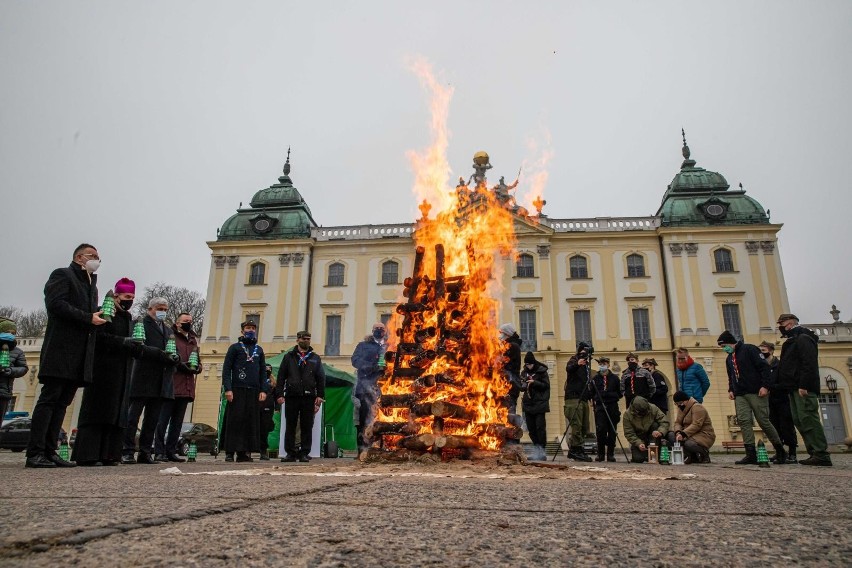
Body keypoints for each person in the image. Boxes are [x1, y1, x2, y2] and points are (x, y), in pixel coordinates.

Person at [26, 243, 107, 468]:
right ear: (79, 257)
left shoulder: (91, 284)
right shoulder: (63, 275)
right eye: (93, 256)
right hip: (61, 349)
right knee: (49, 399)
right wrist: (87, 317)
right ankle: (35, 452)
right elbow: (56, 305)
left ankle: (50, 450)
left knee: (62, 402)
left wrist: (95, 319)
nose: (96, 260)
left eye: (99, 257)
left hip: (79, 352)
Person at [72, 278, 143, 466]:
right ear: (117, 295)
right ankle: (89, 454)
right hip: (103, 367)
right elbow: (99, 338)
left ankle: (110, 454)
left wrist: (135, 345)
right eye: (127, 296)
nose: (130, 300)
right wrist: (123, 342)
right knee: (99, 409)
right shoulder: (104, 312)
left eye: (133, 297)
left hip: (122, 368)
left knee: (116, 412)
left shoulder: (128, 318)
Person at [122, 298, 179, 465]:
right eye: (159, 308)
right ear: (150, 308)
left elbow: (172, 350)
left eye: (165, 309)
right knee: (133, 417)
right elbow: (137, 346)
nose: (162, 311)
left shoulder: (168, 330)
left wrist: (176, 358)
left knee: (152, 419)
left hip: (161, 380)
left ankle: (145, 451)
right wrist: (161, 354)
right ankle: (127, 450)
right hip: (142, 376)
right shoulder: (140, 324)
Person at [718, 330, 786, 465]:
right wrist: (731, 389)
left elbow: (764, 367)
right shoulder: (729, 358)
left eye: (724, 346)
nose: (723, 349)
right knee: (744, 421)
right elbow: (731, 376)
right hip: (740, 394)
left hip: (756, 391)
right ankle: (750, 453)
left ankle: (780, 450)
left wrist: (765, 386)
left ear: (730, 343)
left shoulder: (749, 349)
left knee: (763, 421)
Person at [775, 314, 831, 467]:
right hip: (793, 387)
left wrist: (804, 385)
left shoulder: (803, 338)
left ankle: (821, 453)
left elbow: (809, 363)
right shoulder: (793, 340)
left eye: (782, 323)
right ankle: (813, 452)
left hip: (802, 387)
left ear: (791, 323)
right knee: (800, 420)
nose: (780, 326)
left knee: (808, 419)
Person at [154, 312, 202, 463]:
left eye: (190, 321)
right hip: (172, 384)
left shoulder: (193, 340)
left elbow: (197, 361)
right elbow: (170, 356)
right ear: (178, 323)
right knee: (163, 421)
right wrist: (182, 365)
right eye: (185, 321)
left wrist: (198, 367)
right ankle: (159, 451)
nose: (189, 323)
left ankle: (171, 450)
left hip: (186, 387)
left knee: (177, 423)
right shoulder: (171, 337)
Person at [221, 321, 268, 462]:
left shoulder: (258, 350)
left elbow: (263, 372)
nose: (251, 330)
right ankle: (230, 451)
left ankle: (244, 452)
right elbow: (226, 369)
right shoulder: (234, 348)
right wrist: (228, 388)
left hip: (253, 391)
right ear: (242, 331)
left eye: (253, 328)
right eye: (248, 328)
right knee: (234, 421)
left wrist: (263, 390)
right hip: (237, 389)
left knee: (249, 421)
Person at [276, 331, 326, 462]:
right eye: (304, 339)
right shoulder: (289, 357)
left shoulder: (315, 357)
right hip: (292, 395)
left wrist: (320, 395)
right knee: (290, 424)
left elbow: (321, 378)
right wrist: (280, 394)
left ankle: (304, 452)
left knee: (307, 425)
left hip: (308, 396)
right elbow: (281, 376)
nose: (307, 341)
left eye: (309, 338)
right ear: (298, 340)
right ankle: (290, 452)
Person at [351, 323, 387, 455]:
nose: (379, 331)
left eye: (382, 329)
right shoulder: (363, 345)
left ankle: (381, 449)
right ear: (372, 331)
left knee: (384, 420)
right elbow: (355, 360)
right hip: (365, 388)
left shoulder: (389, 345)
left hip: (384, 389)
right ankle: (362, 451)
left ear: (385, 331)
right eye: (376, 329)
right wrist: (371, 367)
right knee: (364, 420)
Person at [761, 340, 797, 464]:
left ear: (771, 350)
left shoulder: (780, 365)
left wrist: (770, 388)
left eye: (764, 351)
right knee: (775, 426)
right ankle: (780, 451)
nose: (762, 353)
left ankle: (792, 453)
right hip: (769, 401)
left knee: (787, 426)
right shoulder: (762, 366)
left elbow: (785, 383)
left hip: (782, 399)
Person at [667, 391, 715, 464]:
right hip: (689, 434)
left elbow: (696, 425)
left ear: (686, 400)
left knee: (689, 444)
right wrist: (678, 432)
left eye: (680, 403)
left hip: (704, 435)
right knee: (671, 435)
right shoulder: (681, 409)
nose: (679, 405)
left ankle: (704, 454)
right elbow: (678, 423)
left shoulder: (697, 407)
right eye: (677, 404)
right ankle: (690, 455)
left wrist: (683, 434)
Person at [563, 343, 592, 462]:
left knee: (585, 426)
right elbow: (569, 369)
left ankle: (576, 448)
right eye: (584, 353)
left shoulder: (587, 366)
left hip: (583, 398)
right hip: (573, 398)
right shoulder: (573, 360)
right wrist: (577, 363)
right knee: (577, 425)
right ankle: (577, 450)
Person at [590, 356, 621, 462]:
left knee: (612, 431)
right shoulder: (595, 378)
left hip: (612, 406)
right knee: (601, 430)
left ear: (608, 364)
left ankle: (611, 454)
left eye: (604, 364)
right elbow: (592, 393)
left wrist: (608, 394)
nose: (602, 366)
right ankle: (601, 454)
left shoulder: (615, 378)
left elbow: (619, 394)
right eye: (600, 364)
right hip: (600, 407)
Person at [622, 396, 669, 464]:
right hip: (639, 438)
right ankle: (647, 454)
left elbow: (664, 421)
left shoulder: (653, 408)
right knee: (638, 459)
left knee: (655, 425)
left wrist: (660, 431)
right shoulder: (627, 415)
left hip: (653, 436)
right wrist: (638, 443)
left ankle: (654, 450)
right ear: (636, 410)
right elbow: (629, 433)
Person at [520, 352, 550, 461]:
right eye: (526, 364)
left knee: (540, 428)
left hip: (540, 404)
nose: (528, 366)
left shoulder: (542, 372)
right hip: (528, 405)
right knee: (531, 429)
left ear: (533, 363)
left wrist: (534, 382)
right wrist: (522, 384)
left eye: (530, 364)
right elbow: (522, 388)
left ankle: (542, 450)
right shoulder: (524, 372)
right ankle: (536, 449)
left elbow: (546, 386)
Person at [0, 319, 28, 423]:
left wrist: (10, 370)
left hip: (4, 392)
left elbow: (24, 368)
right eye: (8, 332)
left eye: (13, 333)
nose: (11, 335)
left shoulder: (18, 352)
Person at [258, 364, 277, 460]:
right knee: (253, 429)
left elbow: (277, 395)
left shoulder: (273, 382)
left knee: (264, 430)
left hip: (268, 408)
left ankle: (263, 451)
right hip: (257, 407)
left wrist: (277, 407)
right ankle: (248, 451)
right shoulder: (257, 380)